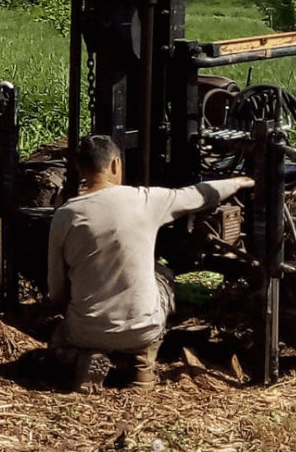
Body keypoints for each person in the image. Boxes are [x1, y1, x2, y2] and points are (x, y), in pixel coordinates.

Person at [48, 135, 253, 393]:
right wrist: (237, 182)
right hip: (143, 329)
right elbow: (196, 195)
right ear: (115, 164)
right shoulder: (145, 200)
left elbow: (56, 291)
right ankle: (143, 362)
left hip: (85, 331)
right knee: (163, 276)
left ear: (81, 168)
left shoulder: (65, 215)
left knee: (57, 343)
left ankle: (85, 358)